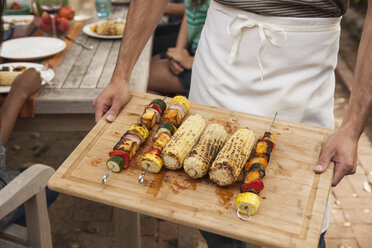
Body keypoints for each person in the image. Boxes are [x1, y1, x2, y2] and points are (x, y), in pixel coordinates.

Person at [93, 0, 372, 247]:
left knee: (297, 224)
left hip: (303, 69)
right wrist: (121, 75)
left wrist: (352, 126)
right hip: (220, 57)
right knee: (209, 213)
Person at [148, 0, 210, 97]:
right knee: (149, 65)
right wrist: (178, 51)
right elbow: (188, 12)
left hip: (209, 67)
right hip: (194, 51)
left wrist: (190, 61)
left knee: (143, 77)